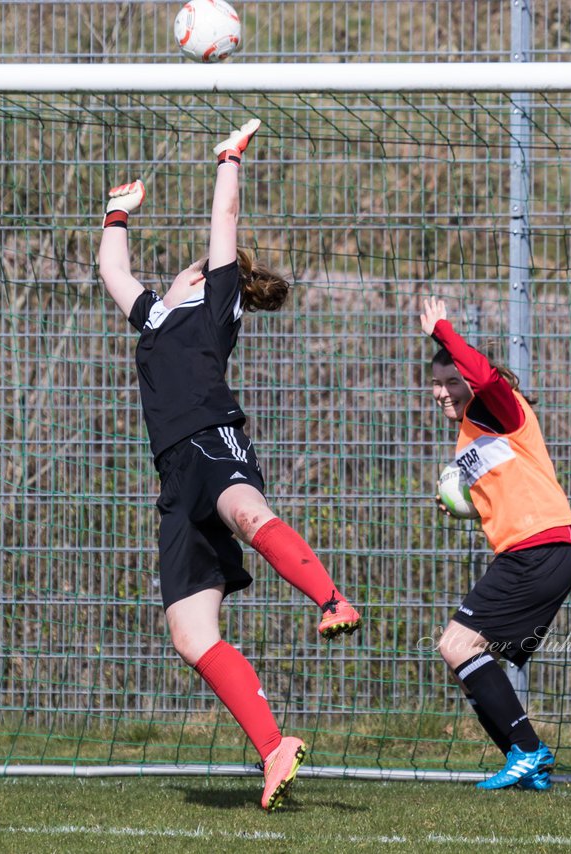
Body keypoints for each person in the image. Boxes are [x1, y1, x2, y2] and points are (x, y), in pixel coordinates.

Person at [98, 118, 362, 811]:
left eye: (201, 267)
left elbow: (225, 217)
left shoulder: (216, 310)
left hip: (212, 442)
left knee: (250, 513)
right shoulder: (156, 317)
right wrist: (116, 214)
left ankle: (331, 598)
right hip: (175, 480)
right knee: (190, 634)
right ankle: (274, 749)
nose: (191, 269)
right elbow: (111, 271)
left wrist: (229, 158)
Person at [419, 295, 571, 791]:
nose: (445, 392)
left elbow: (485, 378)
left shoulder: (496, 407)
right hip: (537, 550)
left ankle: (528, 750)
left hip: (539, 548)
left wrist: (443, 331)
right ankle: (525, 759)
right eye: (437, 384)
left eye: (453, 381)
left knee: (456, 644)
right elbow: (505, 490)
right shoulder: (471, 433)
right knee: (464, 658)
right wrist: (467, 506)